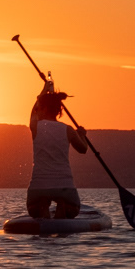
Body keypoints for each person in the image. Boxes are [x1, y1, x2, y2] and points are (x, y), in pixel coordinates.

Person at [27, 87, 88, 219]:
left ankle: (42, 205)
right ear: (58, 111)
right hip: (64, 187)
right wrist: (82, 135)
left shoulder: (35, 126)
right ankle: (64, 205)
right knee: (74, 210)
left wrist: (43, 91)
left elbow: (33, 111)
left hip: (39, 187)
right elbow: (83, 149)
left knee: (34, 211)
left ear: (42, 108)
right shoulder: (68, 130)